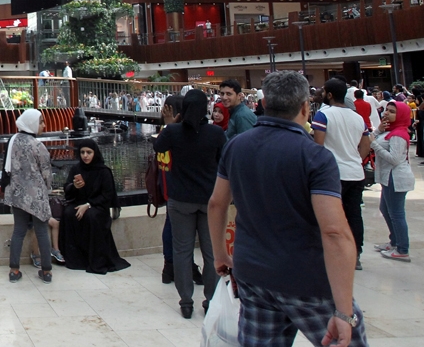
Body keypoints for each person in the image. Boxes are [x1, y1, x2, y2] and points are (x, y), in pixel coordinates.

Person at [208, 70, 366, 347]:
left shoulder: (236, 147)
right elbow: (334, 232)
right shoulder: (315, 157)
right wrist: (343, 311)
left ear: (263, 103)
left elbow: (216, 203)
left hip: (253, 275)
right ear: (305, 107)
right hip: (307, 281)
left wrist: (220, 254)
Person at [153, 89, 224, 318]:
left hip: (180, 199)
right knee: (210, 252)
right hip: (209, 200)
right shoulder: (216, 133)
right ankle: (210, 300)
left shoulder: (173, 131)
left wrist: (170, 123)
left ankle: (186, 301)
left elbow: (157, 147)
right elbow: (224, 162)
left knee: (182, 251)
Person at [312, 78, 372, 268]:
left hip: (332, 174)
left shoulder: (323, 115)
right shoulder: (357, 117)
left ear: (329, 95)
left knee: (329, 216)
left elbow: (318, 146)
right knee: (354, 214)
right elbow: (366, 144)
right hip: (355, 173)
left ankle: (330, 253)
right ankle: (356, 254)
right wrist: (355, 160)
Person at [61, 138, 129, 274]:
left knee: (91, 216)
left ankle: (97, 260)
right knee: (68, 214)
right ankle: (75, 260)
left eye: (89, 152)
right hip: (79, 203)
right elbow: (67, 190)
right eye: (82, 152)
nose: (85, 156)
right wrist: (74, 186)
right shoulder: (76, 169)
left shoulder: (104, 171)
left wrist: (89, 204)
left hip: (98, 206)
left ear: (95, 153)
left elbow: (107, 195)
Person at [4, 109, 53, 284]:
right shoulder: (38, 146)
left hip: (17, 193)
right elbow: (46, 173)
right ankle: (46, 271)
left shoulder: (13, 141)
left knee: (18, 231)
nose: (44, 125)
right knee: (42, 232)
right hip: (37, 195)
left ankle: (14, 270)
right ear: (32, 123)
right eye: (41, 122)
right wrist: (47, 189)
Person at [371, 101, 414, 262]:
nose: (386, 113)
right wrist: (378, 131)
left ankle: (402, 249)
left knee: (396, 214)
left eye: (392, 111)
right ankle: (394, 242)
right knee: (385, 209)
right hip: (389, 177)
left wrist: (374, 145)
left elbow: (394, 159)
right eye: (386, 110)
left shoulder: (398, 135)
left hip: (396, 177)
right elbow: (371, 138)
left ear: (401, 115)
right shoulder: (390, 131)